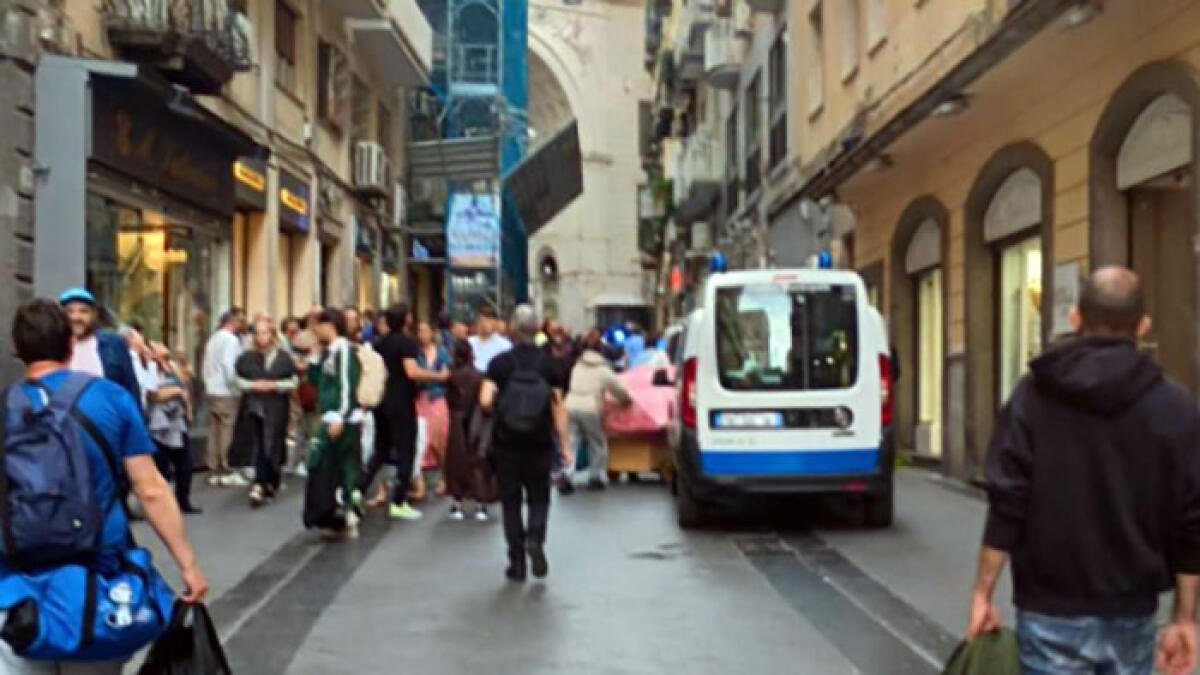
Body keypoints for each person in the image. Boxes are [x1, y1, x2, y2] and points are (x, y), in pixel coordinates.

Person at [966, 267, 1200, 675]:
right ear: (1143, 325)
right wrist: (1184, 618)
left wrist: (983, 593)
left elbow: (1007, 500)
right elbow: (1192, 521)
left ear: (1076, 318)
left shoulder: (1032, 395)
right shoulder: (1175, 407)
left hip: (1048, 607)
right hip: (1132, 609)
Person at [0, 299, 206, 672]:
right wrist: (187, 565)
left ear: (18, 348)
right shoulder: (110, 399)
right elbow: (151, 489)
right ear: (69, 343)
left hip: (17, 586)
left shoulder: (5, 405)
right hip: (100, 575)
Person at [480, 305, 570, 582]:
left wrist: (499, 408)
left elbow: (484, 400)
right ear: (538, 328)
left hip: (507, 444)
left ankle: (516, 562)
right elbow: (558, 409)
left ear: (511, 328)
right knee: (539, 498)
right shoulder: (549, 364)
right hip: (539, 442)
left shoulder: (499, 364)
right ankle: (536, 538)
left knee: (510, 502)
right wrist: (565, 445)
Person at [359, 304, 447, 520]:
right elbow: (411, 371)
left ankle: (357, 489)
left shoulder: (380, 343)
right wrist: (439, 376)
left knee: (380, 449)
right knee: (406, 449)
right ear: (407, 320)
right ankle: (398, 500)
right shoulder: (406, 344)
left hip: (381, 401)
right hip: (401, 402)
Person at [306, 309, 365, 537]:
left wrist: (340, 415)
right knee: (338, 464)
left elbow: (347, 385)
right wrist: (314, 357)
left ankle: (345, 510)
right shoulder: (328, 352)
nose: (316, 331)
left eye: (319, 326)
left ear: (329, 326)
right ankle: (341, 511)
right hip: (331, 415)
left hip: (340, 418)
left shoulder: (344, 352)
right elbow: (315, 380)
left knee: (334, 461)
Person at [234, 316, 299, 507]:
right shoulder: (246, 358)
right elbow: (237, 380)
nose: (262, 337)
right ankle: (260, 483)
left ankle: (271, 479)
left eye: (266, 333)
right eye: (258, 333)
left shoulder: (283, 358)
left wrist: (275, 385)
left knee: (275, 443)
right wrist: (254, 385)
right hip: (254, 406)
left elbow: (293, 381)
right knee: (260, 443)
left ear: (272, 335)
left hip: (277, 406)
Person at [566, 331, 632, 491]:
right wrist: (626, 401)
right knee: (597, 442)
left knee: (572, 441)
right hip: (590, 408)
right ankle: (595, 477)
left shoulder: (577, 366)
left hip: (570, 405)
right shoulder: (603, 370)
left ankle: (567, 473)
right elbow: (619, 390)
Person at [58, 287, 140, 403]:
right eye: (69, 311)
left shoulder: (113, 344)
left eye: (83, 311)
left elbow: (130, 388)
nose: (76, 317)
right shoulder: (54, 346)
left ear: (94, 315)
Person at [147, 342, 201, 514]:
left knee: (185, 464)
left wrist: (188, 409)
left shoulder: (172, 366)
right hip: (158, 421)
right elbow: (154, 395)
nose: (164, 347)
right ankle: (161, 505)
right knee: (161, 466)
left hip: (177, 421)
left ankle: (183, 501)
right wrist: (175, 391)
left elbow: (184, 389)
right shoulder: (149, 369)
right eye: (157, 346)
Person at [444, 339, 493, 521]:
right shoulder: (480, 376)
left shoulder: (452, 376)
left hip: (456, 419)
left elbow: (449, 398)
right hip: (477, 419)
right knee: (478, 461)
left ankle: (457, 502)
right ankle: (481, 502)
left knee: (456, 462)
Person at [201, 308, 246, 487]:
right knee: (228, 428)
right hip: (225, 390)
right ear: (233, 321)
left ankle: (213, 465)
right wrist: (236, 387)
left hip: (212, 388)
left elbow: (206, 363)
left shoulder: (213, 339)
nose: (242, 325)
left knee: (215, 429)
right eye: (240, 321)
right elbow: (229, 366)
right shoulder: (231, 340)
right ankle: (227, 465)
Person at [415, 321, 452, 497]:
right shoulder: (415, 353)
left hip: (437, 397)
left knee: (439, 440)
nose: (422, 334)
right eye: (419, 331)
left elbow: (446, 375)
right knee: (421, 441)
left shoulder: (442, 352)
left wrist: (427, 376)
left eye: (425, 330)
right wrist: (435, 376)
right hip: (421, 398)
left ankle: (445, 477)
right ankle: (420, 483)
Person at [470, 304, 512, 373]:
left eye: (490, 320)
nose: (487, 324)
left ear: (495, 322)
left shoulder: (505, 345)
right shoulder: (469, 342)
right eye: (484, 320)